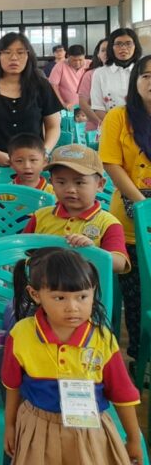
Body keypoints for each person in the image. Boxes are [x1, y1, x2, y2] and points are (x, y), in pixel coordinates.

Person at [2, 248, 140, 465]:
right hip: (37, 428)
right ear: (35, 295)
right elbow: (12, 385)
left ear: (93, 292)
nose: (73, 307)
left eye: (82, 297)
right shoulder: (21, 335)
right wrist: (9, 426)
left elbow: (122, 393)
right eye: (60, 298)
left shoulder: (102, 339)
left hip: (90, 432)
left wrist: (133, 439)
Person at [99, 54, 151, 363]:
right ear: (135, 82)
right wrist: (143, 205)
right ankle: (139, 355)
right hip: (131, 214)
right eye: (146, 76)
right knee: (137, 294)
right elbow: (110, 163)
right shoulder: (119, 117)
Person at [22, 145, 128, 274]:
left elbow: (119, 264)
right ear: (52, 183)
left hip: (85, 287)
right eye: (61, 182)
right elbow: (22, 249)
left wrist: (91, 251)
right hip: (39, 285)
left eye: (79, 183)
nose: (70, 189)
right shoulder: (40, 216)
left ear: (100, 184)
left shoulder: (108, 223)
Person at [0, 32, 62, 172]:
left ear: (28, 56)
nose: (14, 58)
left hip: (33, 164)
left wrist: (44, 152)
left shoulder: (41, 86)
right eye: (7, 52)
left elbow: (53, 126)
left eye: (20, 52)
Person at [90, 29, 142, 127]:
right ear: (111, 47)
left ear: (135, 46)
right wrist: (118, 127)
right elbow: (98, 107)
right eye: (118, 44)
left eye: (128, 43)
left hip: (141, 128)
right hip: (111, 128)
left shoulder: (143, 70)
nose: (123, 48)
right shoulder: (100, 73)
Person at [78, 39, 109, 134]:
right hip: (96, 128)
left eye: (110, 50)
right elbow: (83, 103)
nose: (106, 53)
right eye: (103, 50)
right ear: (98, 55)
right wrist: (101, 123)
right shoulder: (90, 75)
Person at [48, 44, 89, 111]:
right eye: (74, 60)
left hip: (88, 107)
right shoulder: (60, 66)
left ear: (84, 56)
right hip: (68, 107)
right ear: (68, 57)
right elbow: (53, 86)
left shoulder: (90, 64)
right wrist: (63, 103)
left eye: (80, 60)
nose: (77, 63)